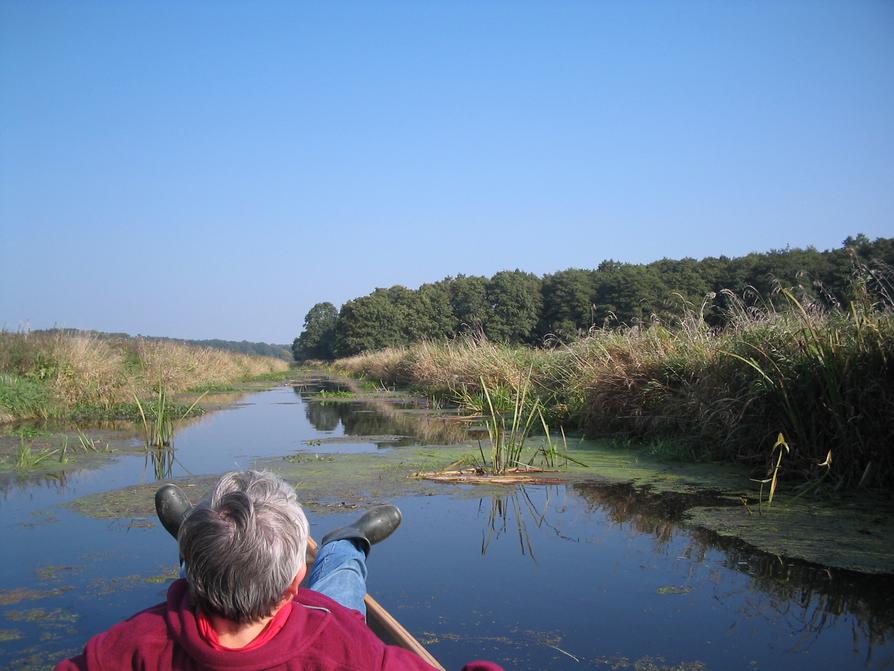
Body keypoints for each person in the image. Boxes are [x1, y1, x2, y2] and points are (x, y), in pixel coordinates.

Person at [55, 470, 502, 671]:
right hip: (324, 616)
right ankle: (347, 541)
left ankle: (202, 537)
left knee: (219, 554)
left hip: (206, 574)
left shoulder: (136, 642)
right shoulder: (347, 651)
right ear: (293, 586)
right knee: (342, 577)